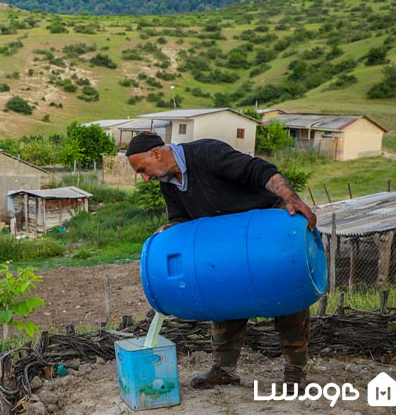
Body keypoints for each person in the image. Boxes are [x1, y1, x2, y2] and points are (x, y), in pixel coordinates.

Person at [126, 131, 317, 392]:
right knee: (224, 300)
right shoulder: (169, 183)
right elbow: (182, 218)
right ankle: (224, 370)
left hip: (262, 231)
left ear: (157, 153)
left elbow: (257, 170)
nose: (146, 178)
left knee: (285, 289)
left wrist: (290, 198)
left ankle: (295, 371)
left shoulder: (207, 154)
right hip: (224, 245)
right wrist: (171, 229)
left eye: (143, 169)